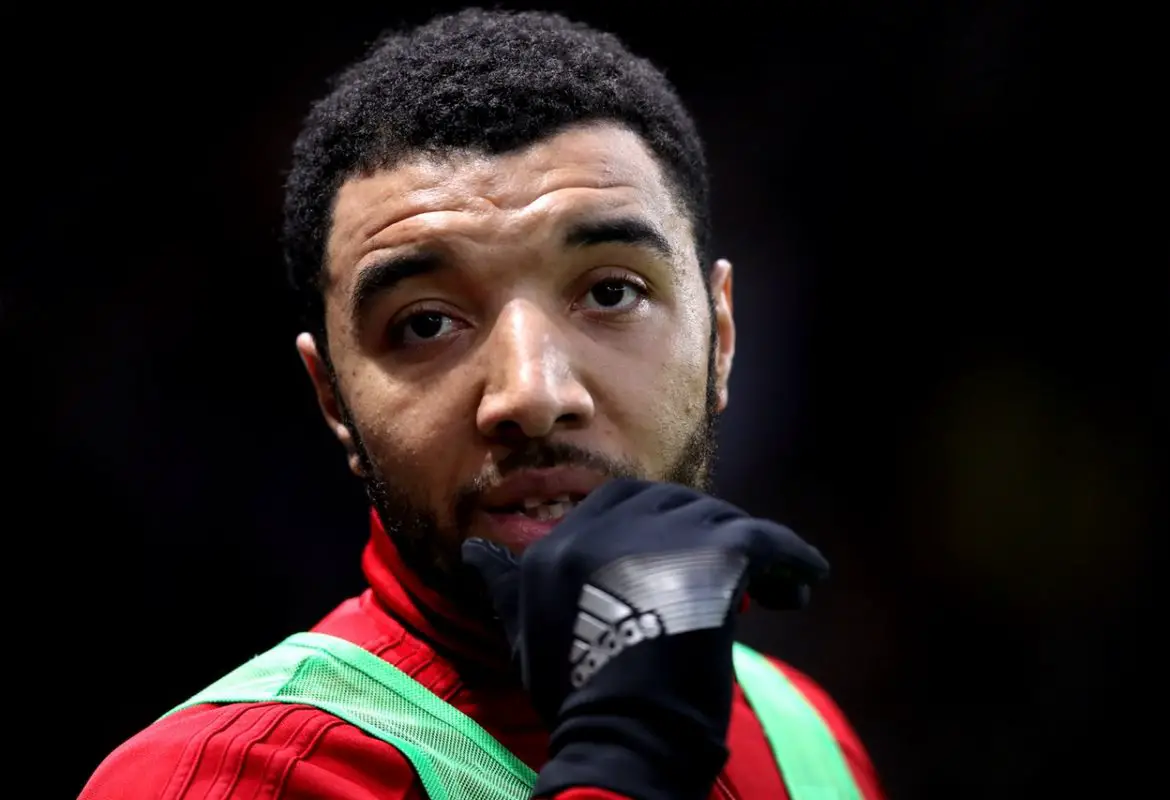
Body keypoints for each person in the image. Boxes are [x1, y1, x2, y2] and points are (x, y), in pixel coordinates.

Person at [81, 8, 885, 800]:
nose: (532, 395)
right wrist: (631, 764)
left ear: (722, 337)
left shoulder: (804, 730)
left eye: (611, 292)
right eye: (426, 324)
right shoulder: (229, 779)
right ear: (333, 399)